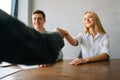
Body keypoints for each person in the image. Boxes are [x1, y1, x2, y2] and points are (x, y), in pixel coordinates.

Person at [0, 9, 65, 65]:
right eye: (34, 19)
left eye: (39, 18)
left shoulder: (51, 35)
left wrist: (50, 61)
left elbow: (60, 54)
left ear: (44, 20)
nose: (36, 21)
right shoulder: (25, 36)